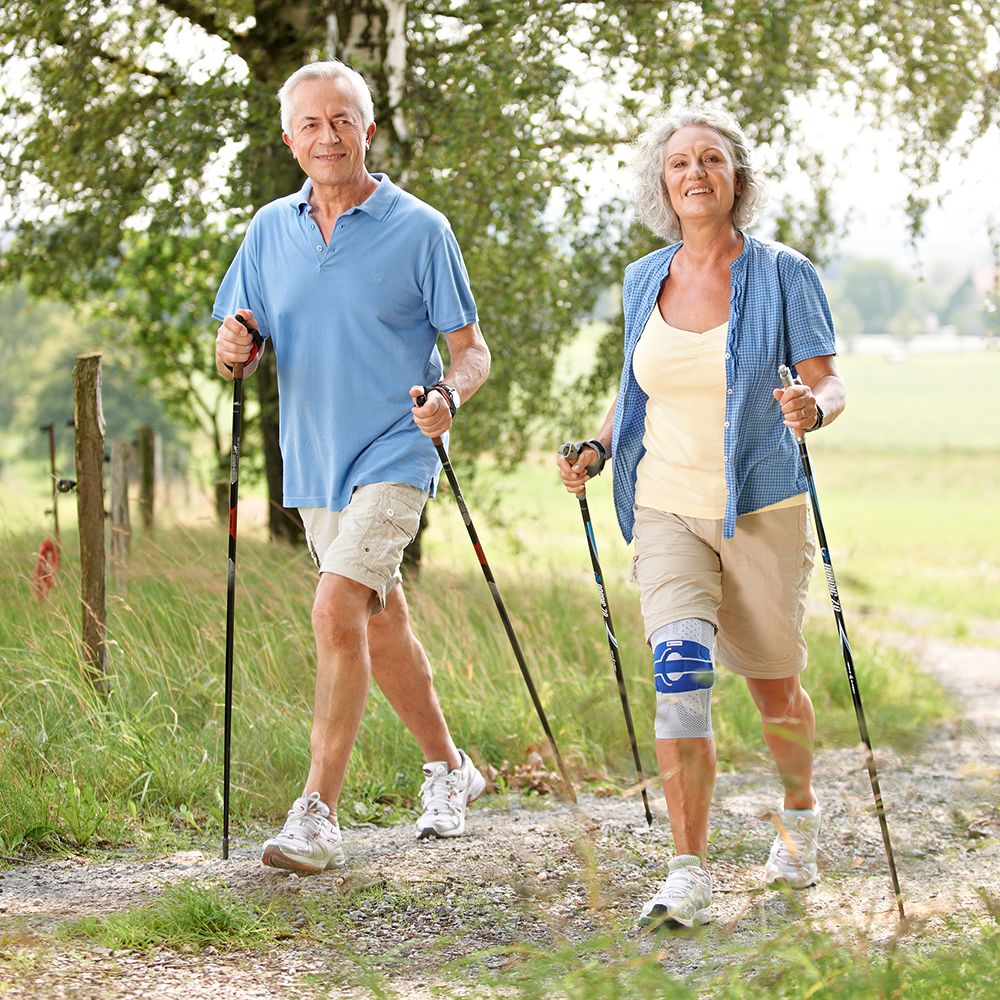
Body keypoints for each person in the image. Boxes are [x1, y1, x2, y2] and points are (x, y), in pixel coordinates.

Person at [558, 107, 845, 928]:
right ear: (663, 183)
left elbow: (829, 381)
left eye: (711, 160)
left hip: (760, 502)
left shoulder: (787, 273)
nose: (695, 173)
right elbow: (635, 385)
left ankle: (798, 818)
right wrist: (600, 447)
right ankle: (688, 867)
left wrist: (810, 411)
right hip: (664, 505)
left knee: (773, 684)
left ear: (736, 178)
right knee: (679, 676)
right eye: (679, 162)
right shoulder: (643, 278)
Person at [213, 60, 491, 873]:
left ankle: (315, 815)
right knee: (379, 617)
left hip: (398, 446)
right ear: (290, 138)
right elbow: (241, 342)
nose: (327, 136)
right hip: (315, 459)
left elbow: (471, 351)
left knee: (337, 608)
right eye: (310, 124)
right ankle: (451, 769)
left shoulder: (420, 228)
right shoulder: (269, 230)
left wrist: (447, 394)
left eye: (343, 121)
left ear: (367, 130)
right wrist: (234, 348)